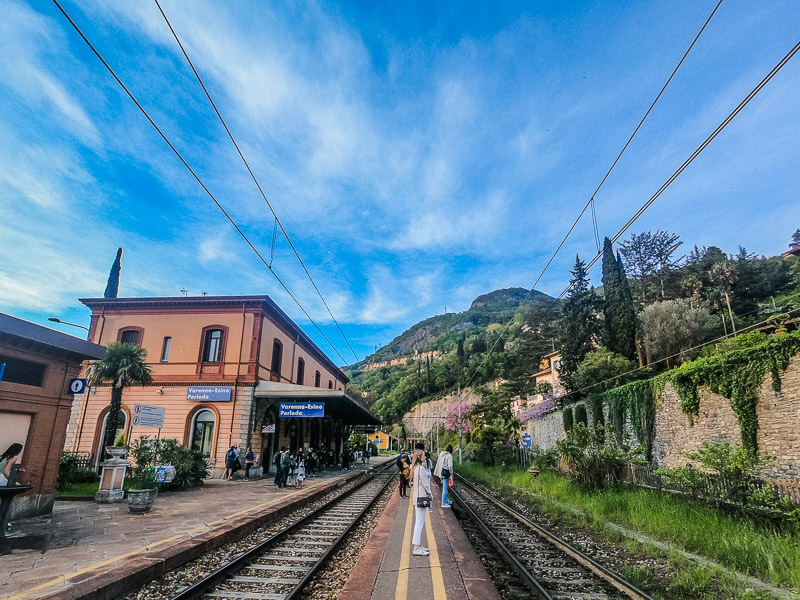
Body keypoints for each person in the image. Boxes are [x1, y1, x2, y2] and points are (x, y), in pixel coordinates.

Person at [410, 446, 432, 556]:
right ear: (419, 457)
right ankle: (416, 548)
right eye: (423, 455)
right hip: (422, 498)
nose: (425, 457)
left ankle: (417, 545)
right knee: (419, 523)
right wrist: (430, 494)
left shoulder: (416, 468)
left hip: (417, 498)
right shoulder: (421, 469)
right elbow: (426, 484)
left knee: (419, 522)